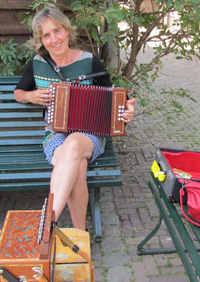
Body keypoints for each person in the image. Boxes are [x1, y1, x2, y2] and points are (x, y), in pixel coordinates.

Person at [14, 4, 136, 230]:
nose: (53, 39)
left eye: (57, 31)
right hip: (54, 136)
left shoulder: (88, 61)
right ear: (41, 39)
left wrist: (126, 110)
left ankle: (47, 224)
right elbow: (18, 93)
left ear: (68, 31)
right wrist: (31, 96)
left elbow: (114, 96)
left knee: (73, 145)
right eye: (46, 35)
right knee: (77, 166)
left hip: (89, 135)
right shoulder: (38, 64)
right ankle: (80, 233)